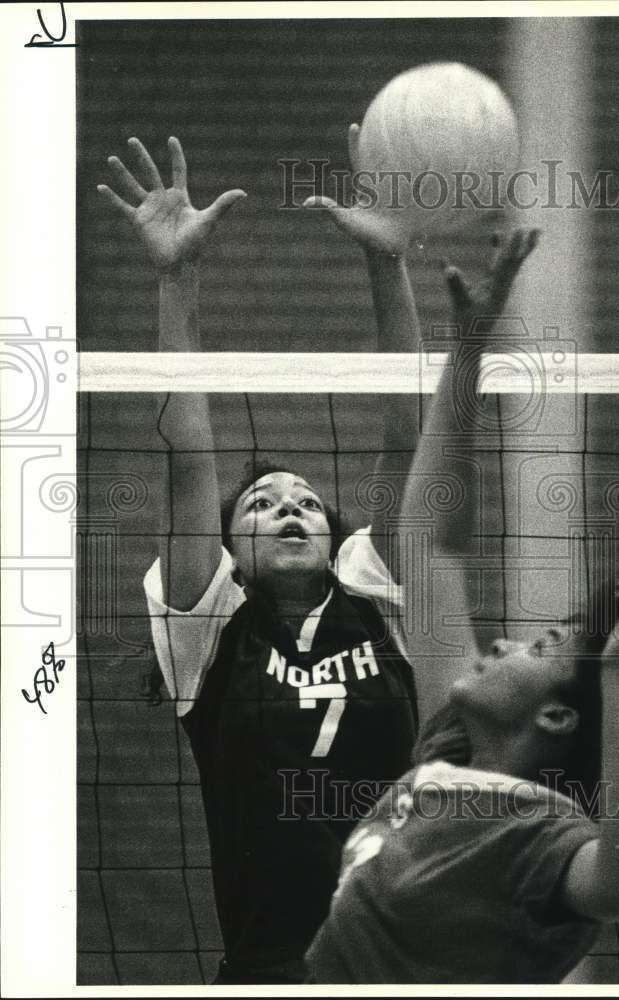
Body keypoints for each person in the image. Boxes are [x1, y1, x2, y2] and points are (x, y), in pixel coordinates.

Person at [305, 228, 619, 984]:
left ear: (557, 718)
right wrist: (470, 347)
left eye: (538, 651)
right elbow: (430, 542)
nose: (505, 640)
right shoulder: (447, 750)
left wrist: (616, 676)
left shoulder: (544, 836)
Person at [98, 131, 424, 985]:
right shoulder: (208, 629)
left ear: (334, 539)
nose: (287, 506)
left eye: (307, 501)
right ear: (228, 550)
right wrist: (175, 277)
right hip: (272, 970)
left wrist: (386, 265)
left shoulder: (372, 596)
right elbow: (189, 454)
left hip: (402, 966)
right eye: (262, 502)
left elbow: (405, 436)